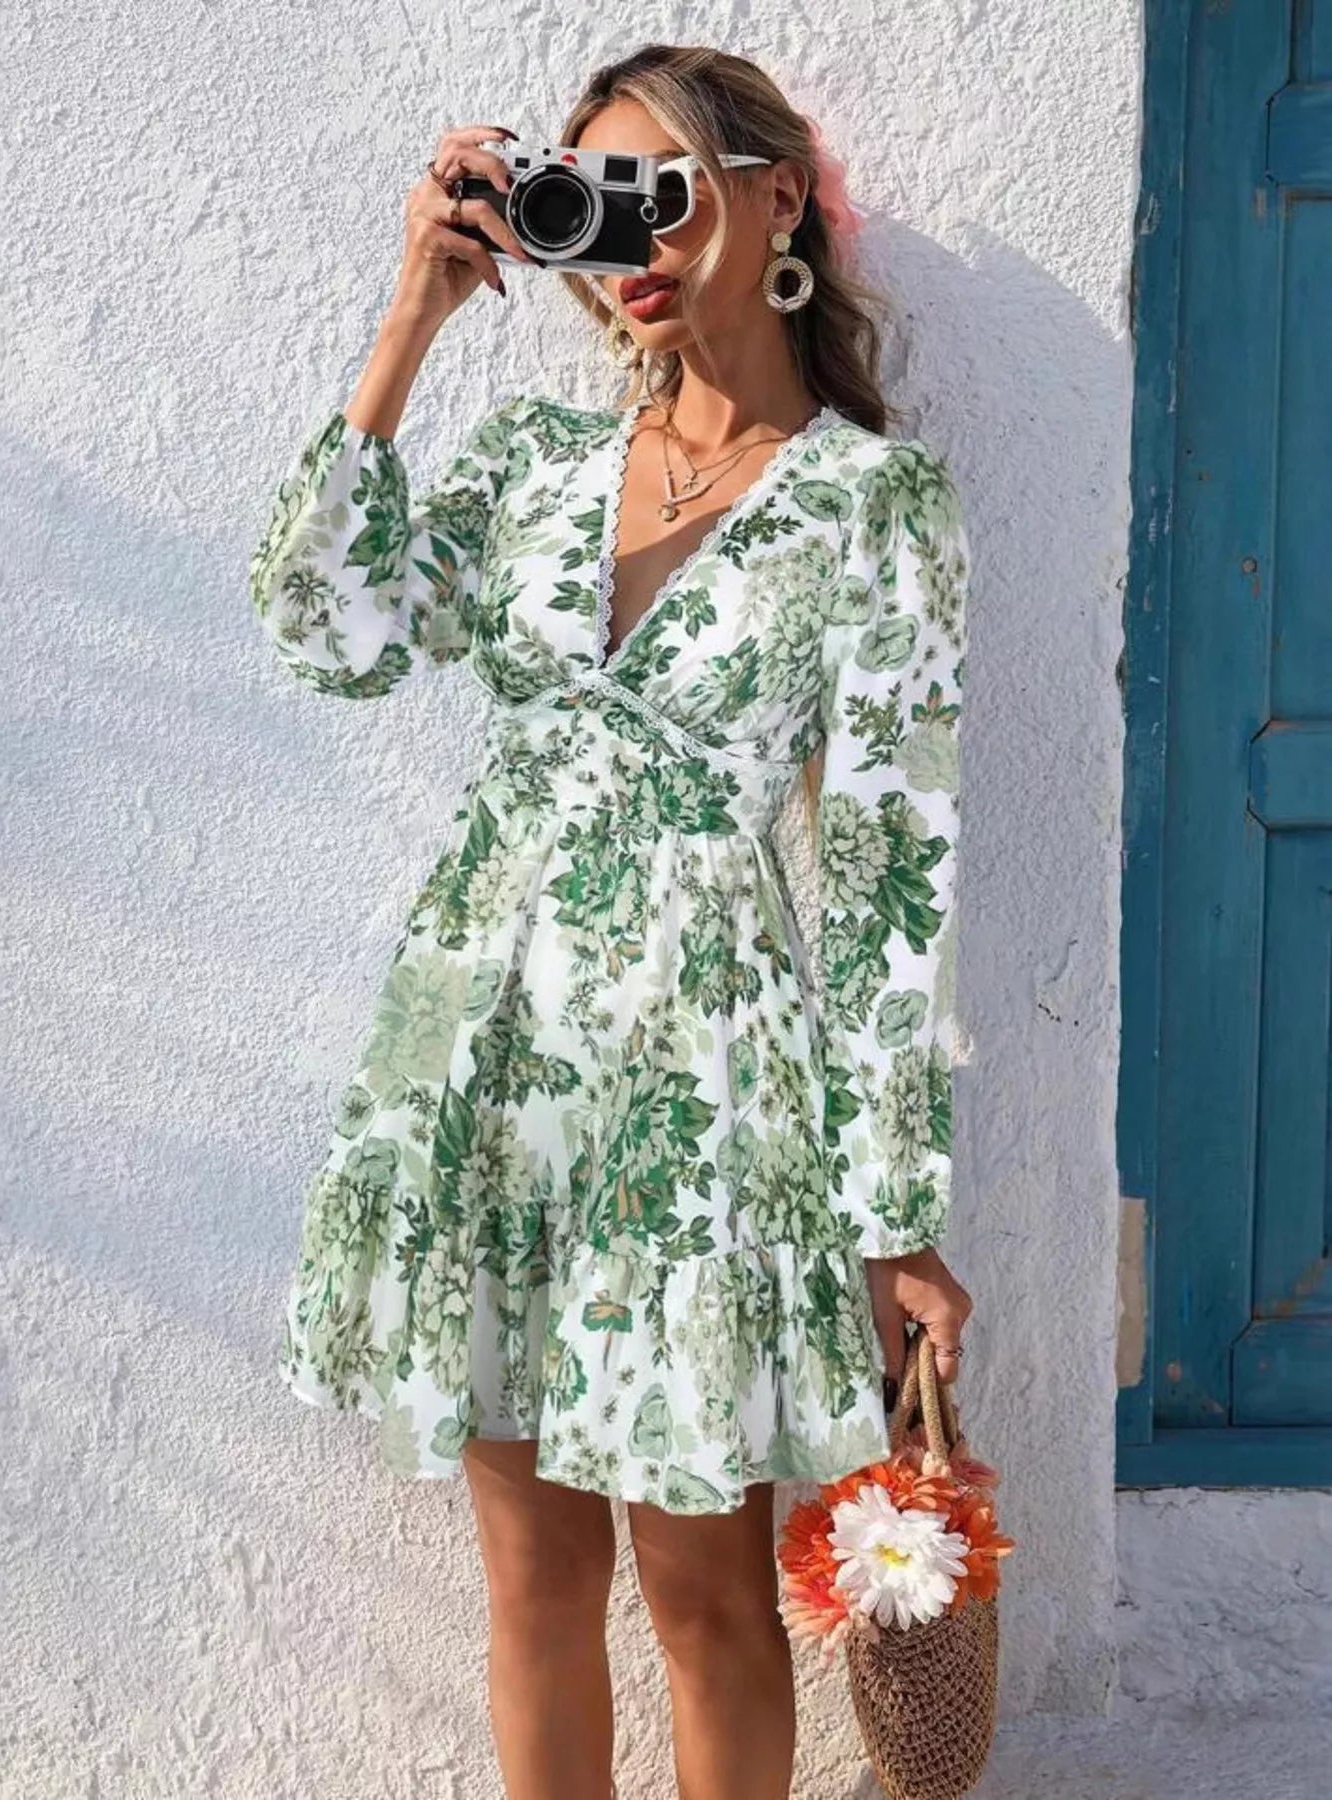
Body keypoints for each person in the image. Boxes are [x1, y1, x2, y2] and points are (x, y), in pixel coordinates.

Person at [249, 41, 973, 1800]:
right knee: (535, 1582)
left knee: (707, 1596)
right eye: (600, 202)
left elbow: (887, 872)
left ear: (777, 198)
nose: (629, 239)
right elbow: (324, 634)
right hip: (487, 1058)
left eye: (667, 190)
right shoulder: (525, 462)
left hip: (697, 1095)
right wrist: (411, 321)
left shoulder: (874, 511)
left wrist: (894, 1213)